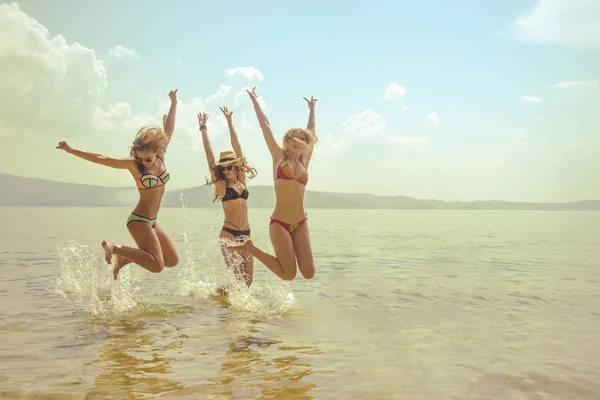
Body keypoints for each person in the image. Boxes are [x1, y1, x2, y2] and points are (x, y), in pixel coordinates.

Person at [56, 89, 180, 280]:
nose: (144, 161)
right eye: (140, 158)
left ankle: (123, 258)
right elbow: (102, 158)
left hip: (152, 221)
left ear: (156, 151)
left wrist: (174, 102)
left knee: (171, 260)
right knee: (156, 266)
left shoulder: (161, 154)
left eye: (148, 158)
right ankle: (116, 248)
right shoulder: (134, 166)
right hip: (139, 220)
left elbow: (169, 130)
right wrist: (72, 150)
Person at [228, 87, 318, 281]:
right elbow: (265, 126)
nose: (296, 145)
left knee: (309, 273)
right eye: (293, 141)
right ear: (287, 141)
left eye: (301, 142)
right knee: (288, 274)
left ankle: (251, 248)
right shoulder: (278, 156)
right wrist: (254, 100)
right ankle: (251, 249)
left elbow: (311, 132)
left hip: (300, 222)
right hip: (280, 223)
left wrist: (311, 109)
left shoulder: (305, 160)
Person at [198, 107, 258, 294]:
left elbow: (237, 147)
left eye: (229, 167)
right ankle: (215, 297)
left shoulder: (241, 180)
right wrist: (203, 128)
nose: (225, 171)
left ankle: (218, 299)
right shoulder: (221, 185)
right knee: (237, 280)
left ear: (236, 165)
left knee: (247, 282)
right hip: (229, 234)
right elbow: (209, 153)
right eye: (222, 168)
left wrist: (230, 122)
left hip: (246, 234)